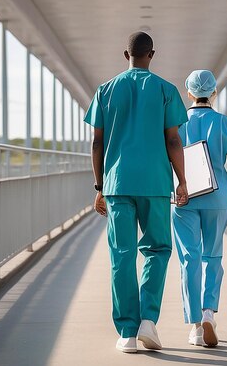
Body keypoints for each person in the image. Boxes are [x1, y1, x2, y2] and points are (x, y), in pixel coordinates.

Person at [84, 32, 189, 354]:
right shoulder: (166, 90)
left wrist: (100, 187)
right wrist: (182, 180)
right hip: (156, 183)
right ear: (151, 54)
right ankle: (148, 321)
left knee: (122, 256)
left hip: (117, 185)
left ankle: (127, 333)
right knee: (157, 249)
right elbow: (173, 140)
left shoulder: (105, 90)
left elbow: (97, 143)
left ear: (125, 54)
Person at [172, 69, 227, 348]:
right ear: (213, 93)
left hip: (185, 198)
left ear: (189, 93)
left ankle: (195, 327)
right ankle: (208, 313)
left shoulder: (177, 124)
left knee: (189, 259)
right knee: (212, 255)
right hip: (218, 199)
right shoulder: (224, 122)